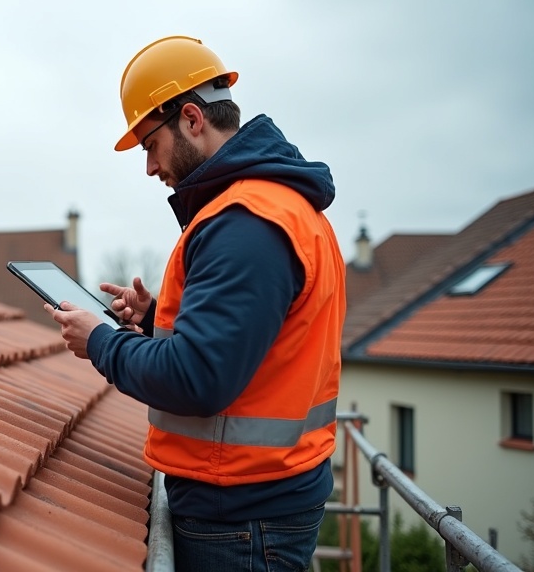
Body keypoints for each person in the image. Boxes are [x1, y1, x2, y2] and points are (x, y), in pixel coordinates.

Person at [46, 35, 346, 571]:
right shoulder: (272, 208)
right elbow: (257, 343)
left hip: (242, 520)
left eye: (149, 144)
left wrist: (101, 342)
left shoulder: (247, 223)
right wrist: (156, 319)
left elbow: (198, 378)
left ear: (191, 119)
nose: (148, 166)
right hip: (258, 501)